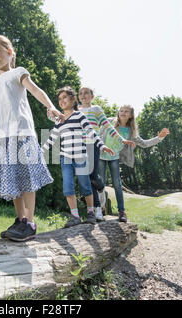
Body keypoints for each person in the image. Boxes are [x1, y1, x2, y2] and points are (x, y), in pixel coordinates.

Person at [0, 34, 64, 242]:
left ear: (9, 52)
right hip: (3, 138)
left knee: (26, 180)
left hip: (22, 134)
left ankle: (30, 221)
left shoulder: (18, 73)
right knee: (12, 181)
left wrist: (50, 106)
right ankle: (19, 220)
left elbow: (35, 90)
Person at [42, 86, 126, 227]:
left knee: (85, 186)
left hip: (80, 156)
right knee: (68, 187)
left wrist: (102, 145)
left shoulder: (79, 116)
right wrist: (40, 151)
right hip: (65, 158)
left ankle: (90, 213)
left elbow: (91, 132)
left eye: (65, 97)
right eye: (59, 99)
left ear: (72, 99)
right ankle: (75, 216)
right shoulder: (59, 120)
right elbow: (51, 138)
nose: (61, 101)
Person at [98, 105, 170, 222]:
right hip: (100, 156)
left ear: (131, 115)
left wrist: (159, 138)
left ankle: (121, 212)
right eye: (121, 110)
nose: (123, 112)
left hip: (114, 158)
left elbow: (145, 144)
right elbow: (98, 134)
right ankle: (100, 210)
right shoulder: (110, 121)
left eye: (126, 111)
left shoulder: (131, 131)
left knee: (117, 184)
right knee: (100, 184)